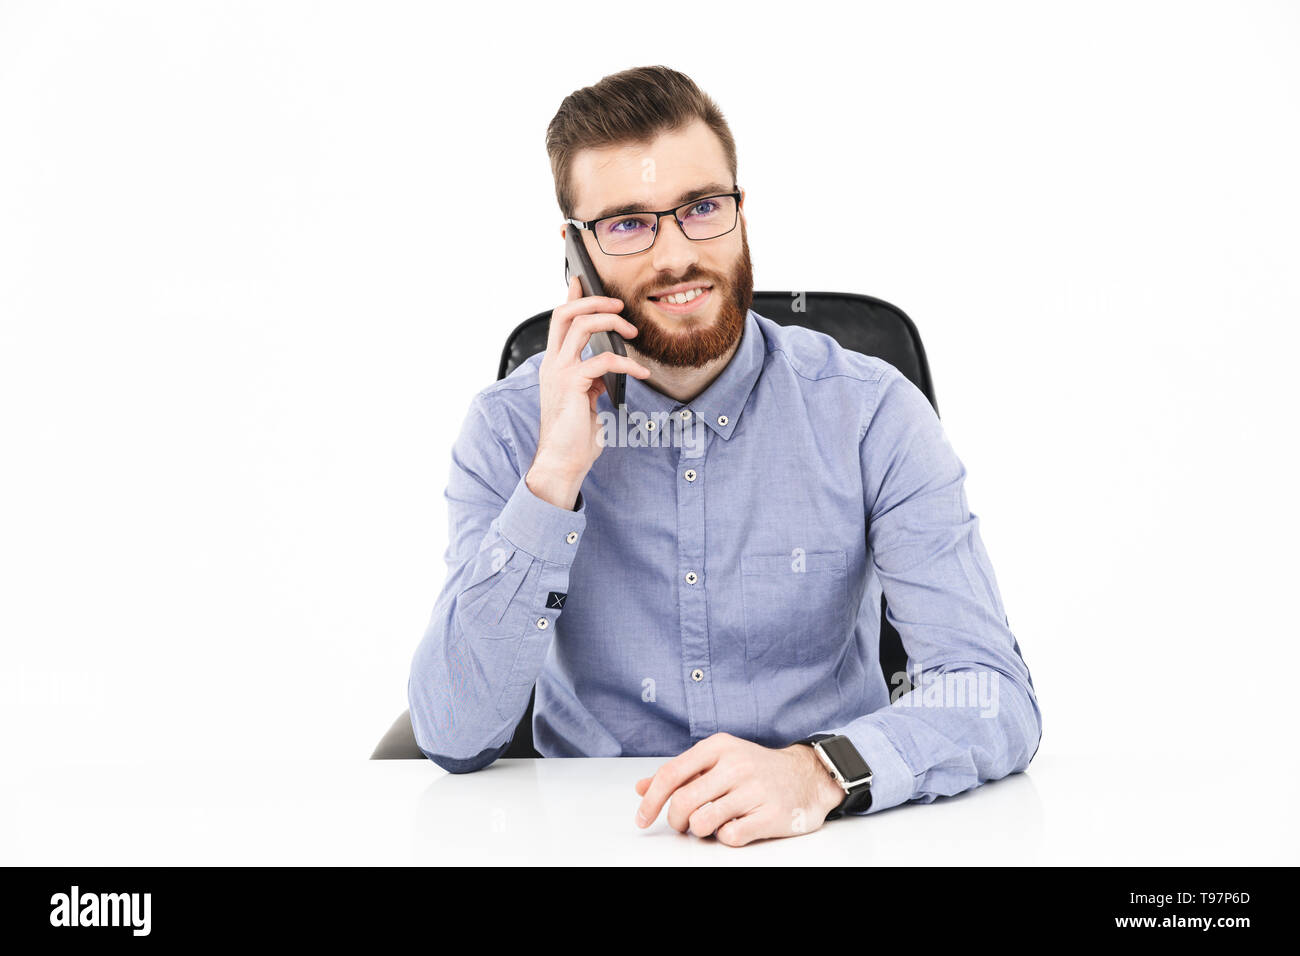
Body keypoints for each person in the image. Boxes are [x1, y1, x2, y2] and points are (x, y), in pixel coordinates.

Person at [408, 65, 1042, 846]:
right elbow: (451, 730)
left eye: (702, 208)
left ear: (742, 216)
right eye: (628, 224)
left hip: (829, 838)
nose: (677, 255)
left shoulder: (871, 413)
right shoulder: (511, 432)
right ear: (575, 256)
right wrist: (554, 479)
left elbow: (991, 694)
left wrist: (822, 770)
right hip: (593, 841)